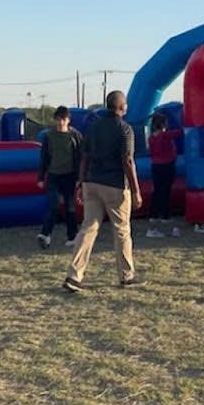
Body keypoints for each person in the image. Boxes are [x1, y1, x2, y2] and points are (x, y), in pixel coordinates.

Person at [64, 89, 141, 292]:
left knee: (88, 228)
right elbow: (128, 160)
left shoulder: (93, 127)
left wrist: (81, 182)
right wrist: (136, 190)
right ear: (122, 107)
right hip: (115, 185)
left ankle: (74, 275)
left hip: (92, 182)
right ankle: (126, 275)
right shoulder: (125, 129)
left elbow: (85, 156)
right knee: (122, 230)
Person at [35, 105, 84, 249]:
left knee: (70, 207)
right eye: (58, 119)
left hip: (70, 176)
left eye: (63, 119)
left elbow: (81, 157)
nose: (60, 122)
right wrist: (40, 177)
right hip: (53, 176)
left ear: (68, 120)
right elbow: (44, 158)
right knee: (53, 204)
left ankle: (72, 236)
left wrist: (80, 178)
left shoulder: (75, 136)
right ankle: (45, 235)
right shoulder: (49, 136)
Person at [146, 111, 179, 237]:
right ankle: (165, 216)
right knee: (165, 192)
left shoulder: (152, 137)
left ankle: (154, 215)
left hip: (156, 166)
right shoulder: (165, 135)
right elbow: (181, 132)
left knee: (157, 192)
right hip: (166, 166)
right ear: (163, 124)